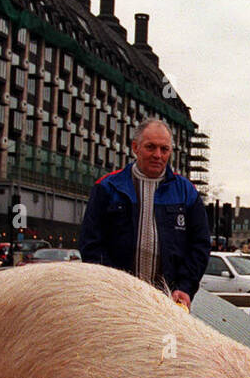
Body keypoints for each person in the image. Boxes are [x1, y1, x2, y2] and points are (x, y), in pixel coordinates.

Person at [78, 118, 211, 309]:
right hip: (116, 300)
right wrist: (112, 284)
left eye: (164, 149)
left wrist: (185, 287)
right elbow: (90, 243)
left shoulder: (187, 192)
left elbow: (200, 245)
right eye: (150, 147)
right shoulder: (107, 187)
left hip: (168, 301)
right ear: (135, 147)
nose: (158, 155)